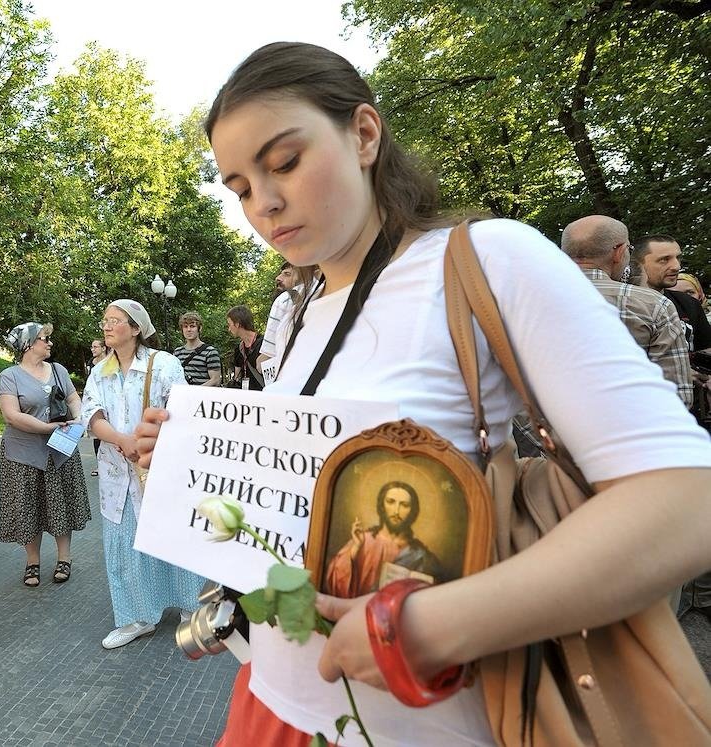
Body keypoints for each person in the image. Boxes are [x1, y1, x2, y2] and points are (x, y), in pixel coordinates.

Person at [134, 42, 711, 744]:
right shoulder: (305, 305)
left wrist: (432, 624)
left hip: (427, 721)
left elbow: (687, 495)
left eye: (283, 162)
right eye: (240, 186)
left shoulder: (490, 258)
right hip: (273, 702)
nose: (265, 202)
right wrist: (191, 465)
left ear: (365, 134)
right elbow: (297, 500)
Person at [81, 299, 205, 650]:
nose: (106, 326)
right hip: (116, 472)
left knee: (170, 535)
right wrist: (120, 439)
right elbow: (91, 413)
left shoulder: (163, 364)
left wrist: (148, 443)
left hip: (158, 468)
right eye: (104, 320)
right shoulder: (100, 370)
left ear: (136, 329)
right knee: (123, 544)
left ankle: (191, 607)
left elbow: (182, 409)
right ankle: (136, 617)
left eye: (115, 321)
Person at [560, 215, 692, 407]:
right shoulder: (655, 305)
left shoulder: (522, 303)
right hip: (635, 429)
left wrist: (543, 437)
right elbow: (677, 395)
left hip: (549, 431)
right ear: (619, 252)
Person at [0, 321, 91, 587]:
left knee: (61, 503)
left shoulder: (58, 370)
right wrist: (47, 428)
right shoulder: (10, 376)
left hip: (59, 450)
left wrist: (79, 417)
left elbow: (73, 398)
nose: (49, 343)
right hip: (23, 453)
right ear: (28, 345)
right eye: (43, 339)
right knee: (28, 506)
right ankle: (32, 561)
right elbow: (11, 415)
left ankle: (65, 558)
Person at [324, 482, 444, 599]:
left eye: (404, 505)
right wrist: (355, 550)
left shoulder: (420, 554)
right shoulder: (363, 541)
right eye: (390, 502)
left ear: (413, 511)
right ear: (382, 506)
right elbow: (336, 585)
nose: (396, 511)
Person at [633, 234, 711, 351]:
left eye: (678, 258)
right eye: (664, 260)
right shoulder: (620, 304)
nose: (677, 266)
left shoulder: (689, 304)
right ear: (637, 264)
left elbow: (705, 351)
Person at [173, 312, 222, 387]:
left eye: (192, 326)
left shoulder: (210, 352)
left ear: (199, 328)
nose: (188, 330)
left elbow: (216, 380)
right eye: (185, 326)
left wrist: (195, 392)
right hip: (183, 396)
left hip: (203, 397)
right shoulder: (177, 353)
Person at [226, 305, 264, 390]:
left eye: (229, 324)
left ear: (237, 324)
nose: (229, 329)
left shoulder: (264, 344)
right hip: (247, 399)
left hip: (265, 397)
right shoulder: (239, 349)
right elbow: (237, 377)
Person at [87, 339, 108, 476]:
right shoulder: (91, 363)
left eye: (95, 347)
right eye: (92, 347)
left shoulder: (110, 362)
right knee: (97, 435)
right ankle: (99, 465)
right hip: (96, 400)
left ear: (103, 348)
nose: (93, 349)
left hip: (107, 399)